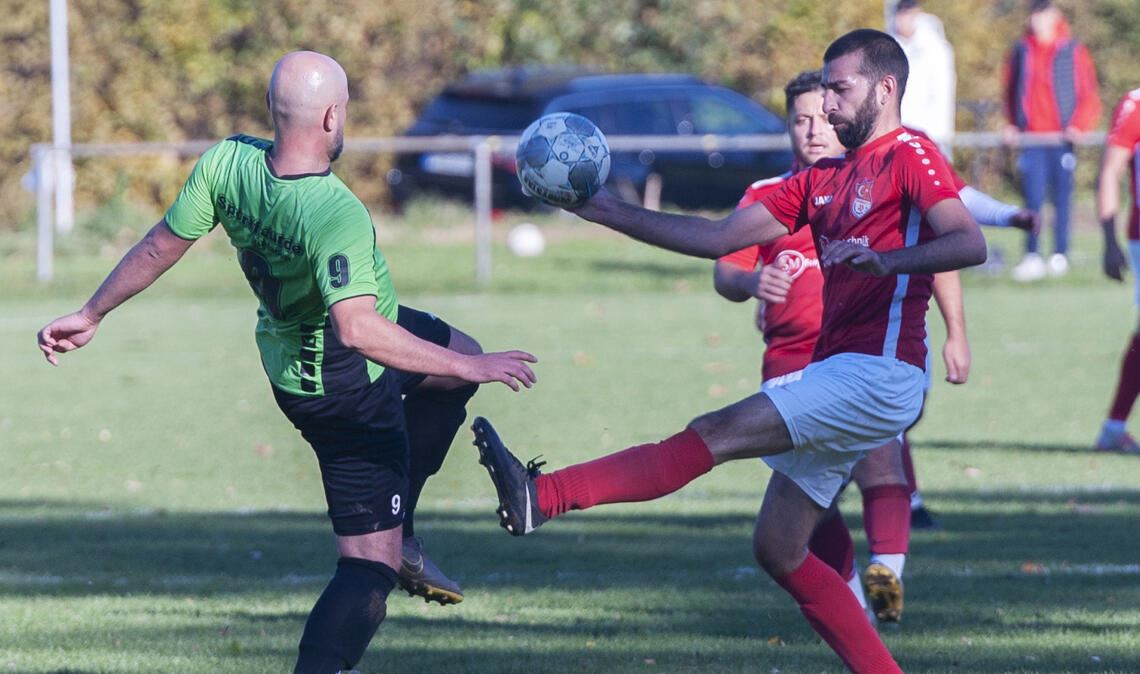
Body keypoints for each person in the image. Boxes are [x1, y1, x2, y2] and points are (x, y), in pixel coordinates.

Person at [473, 29, 986, 673]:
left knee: (713, 433)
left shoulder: (910, 154)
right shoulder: (821, 180)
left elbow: (968, 242)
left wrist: (887, 262)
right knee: (780, 548)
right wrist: (600, 208)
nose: (827, 105)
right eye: (824, 89)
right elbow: (716, 239)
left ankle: (544, 496)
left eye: (841, 89)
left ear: (887, 89)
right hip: (843, 373)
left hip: (881, 374)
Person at [36, 51, 538, 674]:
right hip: (340, 382)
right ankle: (373, 575)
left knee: (453, 350)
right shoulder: (334, 210)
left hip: (309, 351)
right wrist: (475, 370)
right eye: (346, 107)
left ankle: (402, 526)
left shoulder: (228, 162)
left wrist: (92, 312)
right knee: (366, 570)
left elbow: (160, 243)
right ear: (332, 116)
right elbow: (358, 330)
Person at [715, 71, 1036, 622]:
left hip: (864, 356)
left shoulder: (883, 180)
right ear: (788, 127)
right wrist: (749, 284)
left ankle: (887, 575)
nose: (814, 130)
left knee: (882, 462)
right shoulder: (768, 197)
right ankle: (853, 597)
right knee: (806, 496)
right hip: (790, 358)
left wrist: (956, 332)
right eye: (800, 120)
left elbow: (944, 251)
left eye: (824, 115)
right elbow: (725, 267)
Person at [1002, 0, 1101, 282]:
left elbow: (1088, 93)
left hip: (1061, 139)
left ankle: (1060, 254)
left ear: (1054, 15)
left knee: (1061, 197)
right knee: (1031, 198)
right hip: (1031, 139)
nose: (1038, 19)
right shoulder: (1021, 50)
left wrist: (1079, 126)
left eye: (1043, 13)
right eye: (1034, 13)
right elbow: (1010, 91)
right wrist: (1011, 124)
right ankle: (1031, 254)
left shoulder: (1072, 49)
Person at [1095, 87, 1140, 454]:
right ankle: (1113, 427)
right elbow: (1111, 172)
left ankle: (1113, 428)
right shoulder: (1135, 104)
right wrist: (1109, 241)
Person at [889, 0, 957, 155]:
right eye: (900, 12)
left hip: (930, 134)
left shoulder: (936, 48)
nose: (902, 18)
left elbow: (942, 94)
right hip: (897, 134)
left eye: (907, 12)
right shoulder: (888, 46)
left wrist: (938, 134)